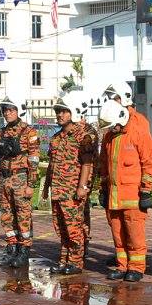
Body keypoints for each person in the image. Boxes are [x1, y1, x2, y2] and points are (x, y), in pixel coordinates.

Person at [96, 99, 152, 281]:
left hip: (133, 197)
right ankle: (122, 266)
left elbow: (150, 164)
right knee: (118, 234)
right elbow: (104, 166)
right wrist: (103, 189)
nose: (109, 129)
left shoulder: (138, 134)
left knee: (134, 235)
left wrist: (146, 191)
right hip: (114, 197)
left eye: (111, 125)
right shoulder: (108, 138)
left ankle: (136, 268)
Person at [41, 93, 95, 275]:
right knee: (61, 227)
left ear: (72, 113)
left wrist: (82, 187)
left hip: (72, 190)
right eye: (58, 112)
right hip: (57, 190)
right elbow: (52, 165)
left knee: (74, 228)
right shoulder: (56, 138)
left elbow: (87, 164)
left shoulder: (83, 136)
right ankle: (64, 260)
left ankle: (76, 262)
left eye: (63, 112)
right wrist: (46, 187)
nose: (60, 115)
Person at [0, 97, 41, 268]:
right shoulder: (0, 134)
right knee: (6, 215)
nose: (7, 113)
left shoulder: (29, 132)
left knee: (23, 216)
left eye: (11, 110)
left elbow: (34, 159)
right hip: (4, 179)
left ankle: (24, 250)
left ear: (18, 110)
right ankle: (11, 247)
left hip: (21, 178)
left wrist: (31, 185)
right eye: (5, 110)